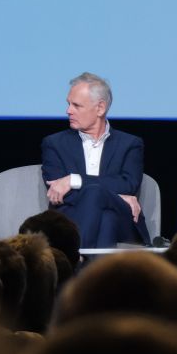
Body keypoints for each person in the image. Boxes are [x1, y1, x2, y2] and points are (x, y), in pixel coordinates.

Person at [41, 72, 151, 247]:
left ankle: (79, 257)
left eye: (76, 105)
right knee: (106, 218)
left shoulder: (130, 144)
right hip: (70, 220)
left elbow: (128, 184)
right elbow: (57, 193)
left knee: (98, 198)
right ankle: (91, 264)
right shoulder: (54, 144)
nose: (68, 111)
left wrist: (74, 180)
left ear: (100, 108)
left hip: (123, 223)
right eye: (68, 104)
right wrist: (116, 196)